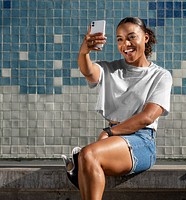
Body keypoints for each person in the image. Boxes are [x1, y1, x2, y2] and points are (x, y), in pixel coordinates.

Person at [62, 17, 172, 200]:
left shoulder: (160, 76)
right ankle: (81, 167)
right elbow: (88, 71)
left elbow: (147, 117)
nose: (125, 44)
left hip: (142, 141)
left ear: (145, 37)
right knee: (88, 156)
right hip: (113, 140)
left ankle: (79, 168)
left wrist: (109, 132)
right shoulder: (110, 69)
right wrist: (84, 52)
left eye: (131, 37)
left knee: (88, 154)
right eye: (119, 39)